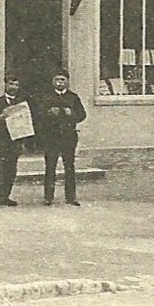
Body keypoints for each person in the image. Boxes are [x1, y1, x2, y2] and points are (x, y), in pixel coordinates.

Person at [37, 69, 87, 206]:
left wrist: (72, 114)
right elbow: (38, 114)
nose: (60, 83)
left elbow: (82, 115)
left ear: (67, 82)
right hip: (51, 137)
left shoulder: (73, 97)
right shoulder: (46, 97)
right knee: (50, 167)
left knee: (69, 166)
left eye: (63, 80)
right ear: (53, 81)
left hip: (68, 137)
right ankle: (48, 197)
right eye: (57, 80)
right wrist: (48, 112)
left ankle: (71, 197)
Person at [0, 75, 28, 209]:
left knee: (11, 171)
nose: (13, 87)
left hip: (14, 141)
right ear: (5, 85)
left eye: (16, 85)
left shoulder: (21, 103)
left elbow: (25, 123)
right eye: (11, 84)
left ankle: (5, 196)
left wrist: (23, 140)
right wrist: (0, 117)